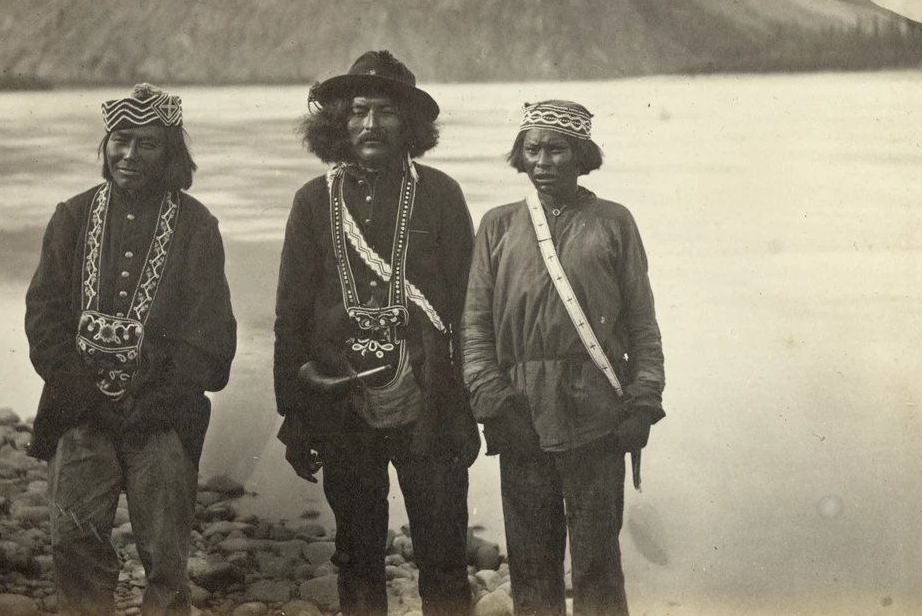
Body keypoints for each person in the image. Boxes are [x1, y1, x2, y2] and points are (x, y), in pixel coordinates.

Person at [273, 50, 481, 616]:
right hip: (343, 405)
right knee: (356, 553)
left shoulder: (440, 194)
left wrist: (464, 406)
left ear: (409, 125)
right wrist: (294, 412)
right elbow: (290, 316)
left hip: (429, 402)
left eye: (386, 111)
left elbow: (468, 309)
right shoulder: (313, 201)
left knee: (443, 555)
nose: (370, 124)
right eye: (358, 110)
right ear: (337, 121)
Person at [25, 83, 237, 616]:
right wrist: (83, 391)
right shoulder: (71, 218)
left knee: (166, 558)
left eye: (148, 144)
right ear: (105, 145)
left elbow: (210, 335)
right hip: (79, 410)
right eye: (120, 140)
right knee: (73, 545)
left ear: (170, 155)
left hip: (162, 414)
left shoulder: (196, 226)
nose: (129, 154)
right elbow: (44, 317)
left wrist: (156, 396)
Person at [460, 100, 665, 616]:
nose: (544, 161)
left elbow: (641, 322)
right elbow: (475, 328)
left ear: (581, 155)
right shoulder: (498, 225)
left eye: (557, 149)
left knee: (598, 562)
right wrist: (495, 405)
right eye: (533, 149)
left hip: (599, 414)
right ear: (520, 156)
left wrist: (643, 403)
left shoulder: (613, 222)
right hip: (521, 414)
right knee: (531, 565)